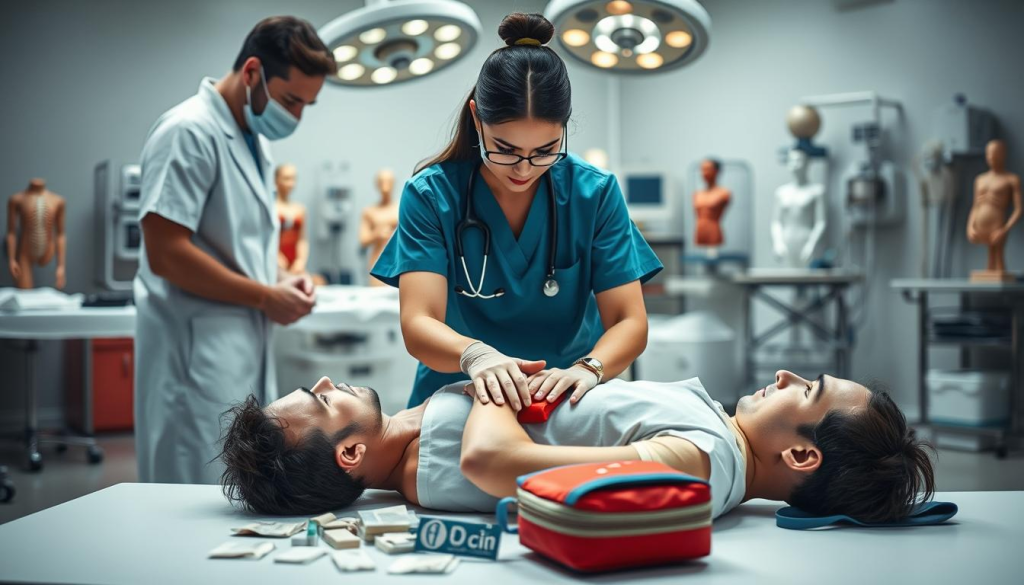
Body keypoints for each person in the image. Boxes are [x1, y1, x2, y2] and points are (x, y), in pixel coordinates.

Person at [370, 13, 662, 409]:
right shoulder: (432, 195)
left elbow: (629, 321)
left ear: (563, 128)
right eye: (504, 149)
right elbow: (418, 323)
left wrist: (589, 368)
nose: (524, 169)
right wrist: (476, 356)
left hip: (565, 399)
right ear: (477, 119)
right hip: (458, 396)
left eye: (544, 151)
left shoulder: (593, 193)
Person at [219, 370, 936, 525]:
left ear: (803, 457)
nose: (784, 374)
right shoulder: (715, 428)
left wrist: (487, 380)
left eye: (804, 388)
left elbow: (489, 464)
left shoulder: (704, 460)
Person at [134, 16, 335, 484]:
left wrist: (280, 281)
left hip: (238, 346)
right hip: (193, 357)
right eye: (290, 100)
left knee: (231, 493)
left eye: (307, 105)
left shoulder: (252, 143)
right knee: (189, 493)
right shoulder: (188, 131)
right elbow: (166, 252)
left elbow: (230, 246)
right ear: (251, 73)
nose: (297, 117)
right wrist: (265, 296)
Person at [359, 168, 399, 287]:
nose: (385, 186)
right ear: (376, 184)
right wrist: (377, 234)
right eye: (381, 182)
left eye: (388, 181)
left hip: (398, 260)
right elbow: (363, 239)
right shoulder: (369, 211)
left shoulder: (401, 208)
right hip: (377, 261)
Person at [275, 163, 309, 276]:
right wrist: (276, 256)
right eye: (286, 178)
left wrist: (301, 261)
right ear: (276, 180)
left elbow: (302, 239)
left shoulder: (300, 209)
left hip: (295, 265)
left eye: (293, 179)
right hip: (277, 263)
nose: (291, 183)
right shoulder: (270, 208)